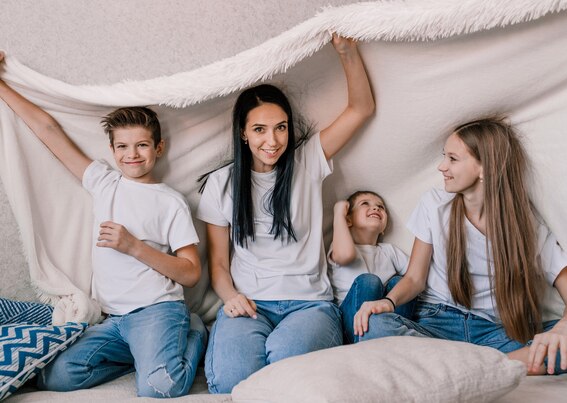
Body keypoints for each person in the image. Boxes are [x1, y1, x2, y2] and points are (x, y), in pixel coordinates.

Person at [0, 52, 207, 397]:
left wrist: (133, 247)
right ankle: (143, 355)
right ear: (112, 150)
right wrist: (1, 86)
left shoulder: (170, 201)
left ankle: (194, 331)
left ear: (159, 148)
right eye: (123, 146)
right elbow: (48, 130)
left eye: (142, 145)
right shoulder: (104, 183)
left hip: (157, 310)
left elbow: (190, 273)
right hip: (113, 319)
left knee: (159, 388)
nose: (133, 155)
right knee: (56, 377)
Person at [354, 117, 567, 375]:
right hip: (437, 325)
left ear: (484, 168)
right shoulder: (434, 205)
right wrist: (388, 303)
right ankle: (495, 368)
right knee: (374, 327)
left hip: (497, 335)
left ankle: (483, 368)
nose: (442, 167)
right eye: (444, 157)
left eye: (452, 159)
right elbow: (414, 278)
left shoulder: (527, 228)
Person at [197, 34, 374, 393]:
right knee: (230, 380)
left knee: (287, 368)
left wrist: (347, 52)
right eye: (260, 129)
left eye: (281, 128)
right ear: (243, 134)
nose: (272, 140)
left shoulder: (308, 160)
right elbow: (217, 263)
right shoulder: (221, 184)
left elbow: (361, 109)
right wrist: (230, 297)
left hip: (308, 305)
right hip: (249, 304)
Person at [328, 190, 415, 344]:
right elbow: (345, 255)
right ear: (348, 220)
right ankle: (364, 340)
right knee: (369, 281)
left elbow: (415, 276)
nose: (376, 209)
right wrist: (339, 214)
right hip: (352, 324)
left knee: (400, 282)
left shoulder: (389, 251)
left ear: (383, 228)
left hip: (386, 323)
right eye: (365, 204)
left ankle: (398, 338)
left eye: (380, 207)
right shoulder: (340, 246)